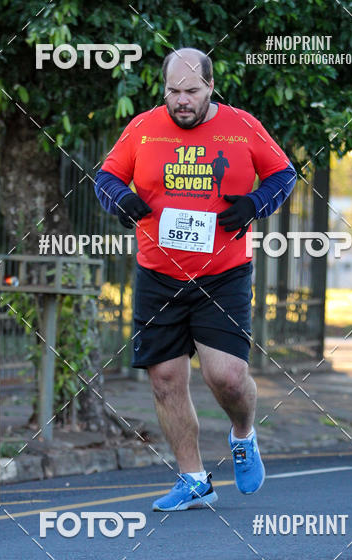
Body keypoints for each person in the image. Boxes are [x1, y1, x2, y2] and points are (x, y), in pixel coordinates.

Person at [94, 47, 296, 511]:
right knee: (164, 379)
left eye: (190, 91)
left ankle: (243, 434)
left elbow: (283, 175)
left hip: (221, 275)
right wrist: (121, 201)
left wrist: (253, 205)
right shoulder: (143, 128)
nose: (181, 101)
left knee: (225, 375)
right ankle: (192, 479)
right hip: (157, 274)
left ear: (210, 87)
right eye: (172, 91)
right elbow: (105, 178)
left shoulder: (242, 126)